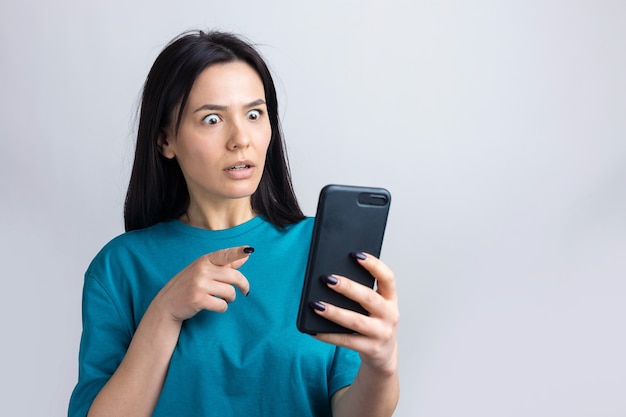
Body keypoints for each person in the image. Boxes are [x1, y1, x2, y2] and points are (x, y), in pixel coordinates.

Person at [68, 30, 399, 417]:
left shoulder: (320, 251)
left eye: (254, 114)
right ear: (165, 141)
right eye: (212, 119)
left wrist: (382, 366)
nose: (241, 139)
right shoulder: (120, 267)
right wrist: (165, 312)